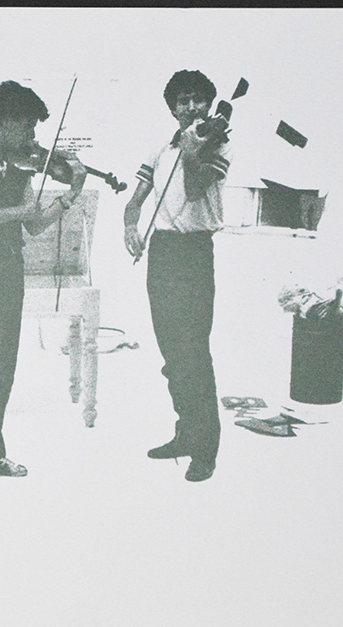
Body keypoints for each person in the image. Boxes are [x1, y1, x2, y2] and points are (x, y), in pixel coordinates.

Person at [0, 80, 87, 487]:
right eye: (27, 127)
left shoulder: (20, 163)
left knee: (5, 361)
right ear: (3, 123)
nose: (32, 137)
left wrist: (69, 196)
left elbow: (34, 224)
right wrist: (17, 211)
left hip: (9, 267)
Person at [123, 70, 232, 483]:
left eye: (198, 99)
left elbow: (194, 190)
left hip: (195, 252)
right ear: (172, 108)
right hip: (163, 252)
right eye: (182, 101)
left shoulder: (219, 144)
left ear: (209, 103)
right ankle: (185, 434)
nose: (191, 107)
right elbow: (135, 201)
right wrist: (129, 226)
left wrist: (191, 151)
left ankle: (205, 450)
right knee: (172, 353)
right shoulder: (160, 148)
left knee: (194, 354)